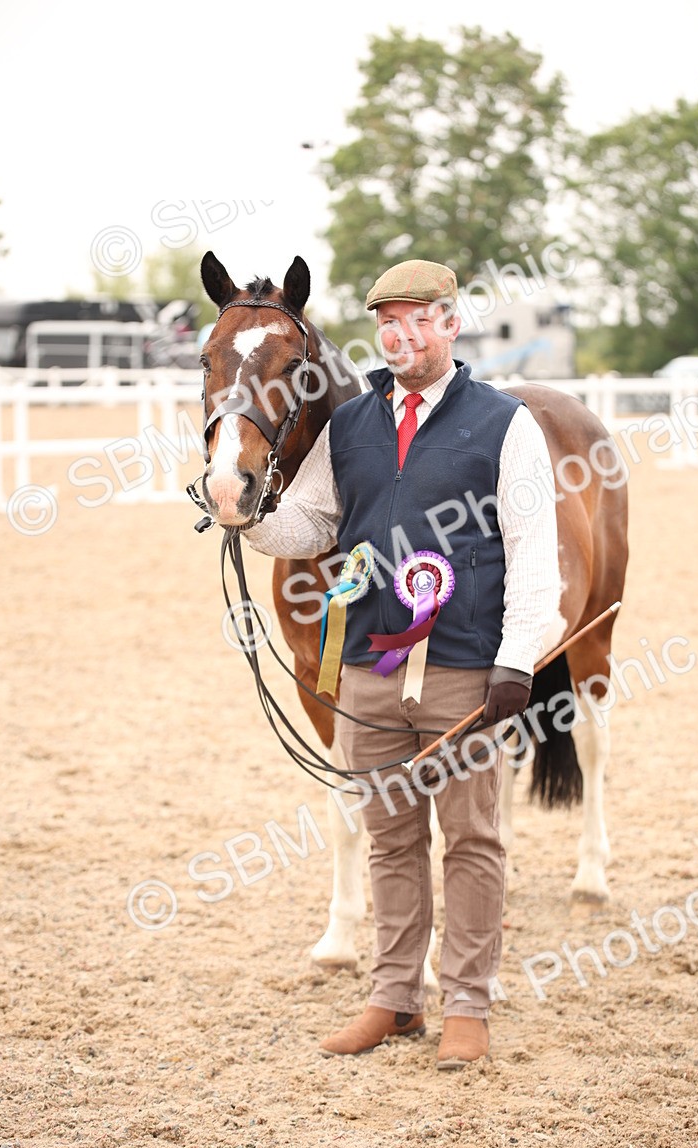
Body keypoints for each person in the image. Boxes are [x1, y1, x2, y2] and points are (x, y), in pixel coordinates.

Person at [243, 259, 560, 1069]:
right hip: (369, 672)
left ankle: (467, 1006)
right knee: (388, 839)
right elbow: (310, 524)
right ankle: (393, 998)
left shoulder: (504, 423)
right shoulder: (350, 424)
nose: (402, 334)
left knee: (472, 840)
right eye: (388, 320)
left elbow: (533, 554)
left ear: (452, 324)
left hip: (463, 665)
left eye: (419, 318)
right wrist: (247, 517)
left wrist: (517, 663)